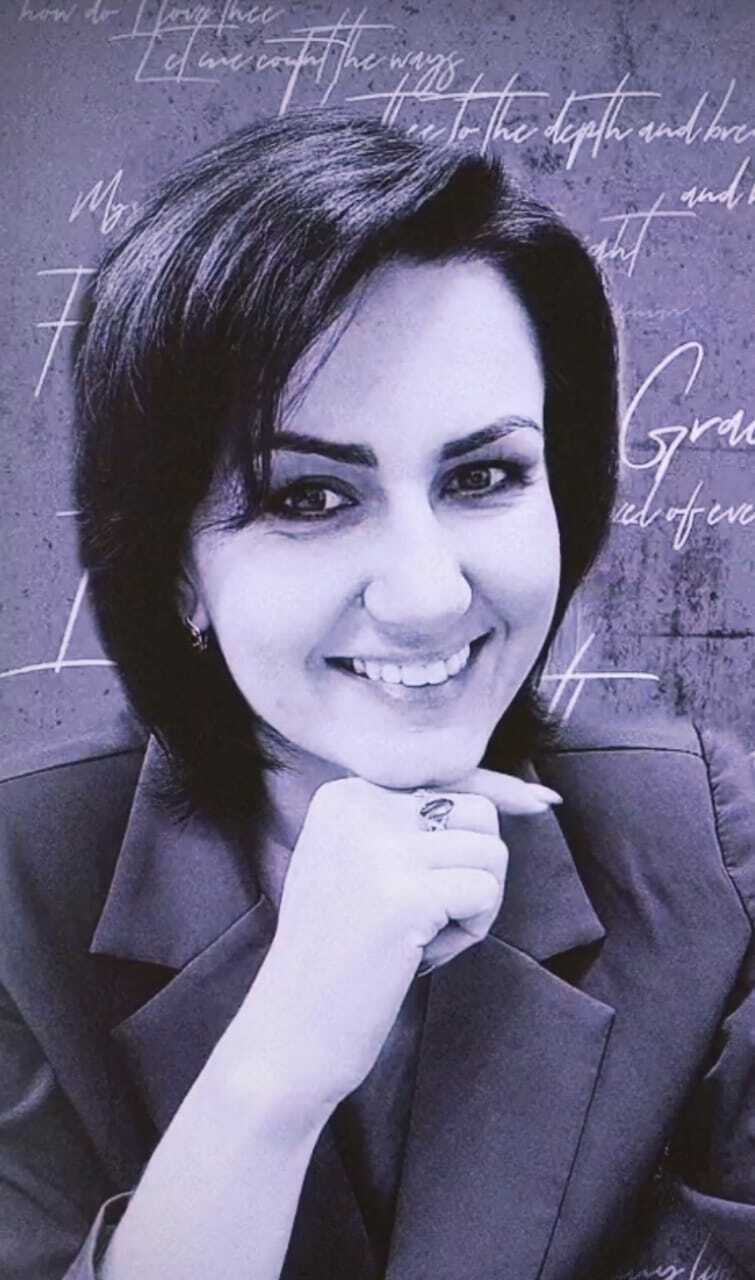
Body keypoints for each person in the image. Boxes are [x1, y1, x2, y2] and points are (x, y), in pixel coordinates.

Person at [0, 111, 753, 1280]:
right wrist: (279, 1058)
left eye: (483, 474)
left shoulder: (704, 843)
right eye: (307, 496)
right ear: (173, 563)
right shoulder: (16, 891)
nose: (425, 592)